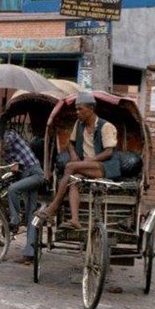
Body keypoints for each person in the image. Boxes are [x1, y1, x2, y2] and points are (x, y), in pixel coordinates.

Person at [37, 91, 120, 230]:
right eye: (76, 109)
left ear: (91, 109)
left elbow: (109, 152)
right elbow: (70, 143)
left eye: (80, 109)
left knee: (70, 167)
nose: (77, 112)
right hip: (86, 166)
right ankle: (75, 219)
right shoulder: (79, 124)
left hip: (105, 166)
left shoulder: (106, 126)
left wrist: (89, 160)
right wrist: (74, 154)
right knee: (73, 180)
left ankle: (53, 207)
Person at [0, 115, 43, 265]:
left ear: (1, 127)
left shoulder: (10, 135)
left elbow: (0, 148)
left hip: (34, 174)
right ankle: (29, 254)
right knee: (30, 215)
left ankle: (15, 220)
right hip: (23, 176)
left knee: (13, 190)